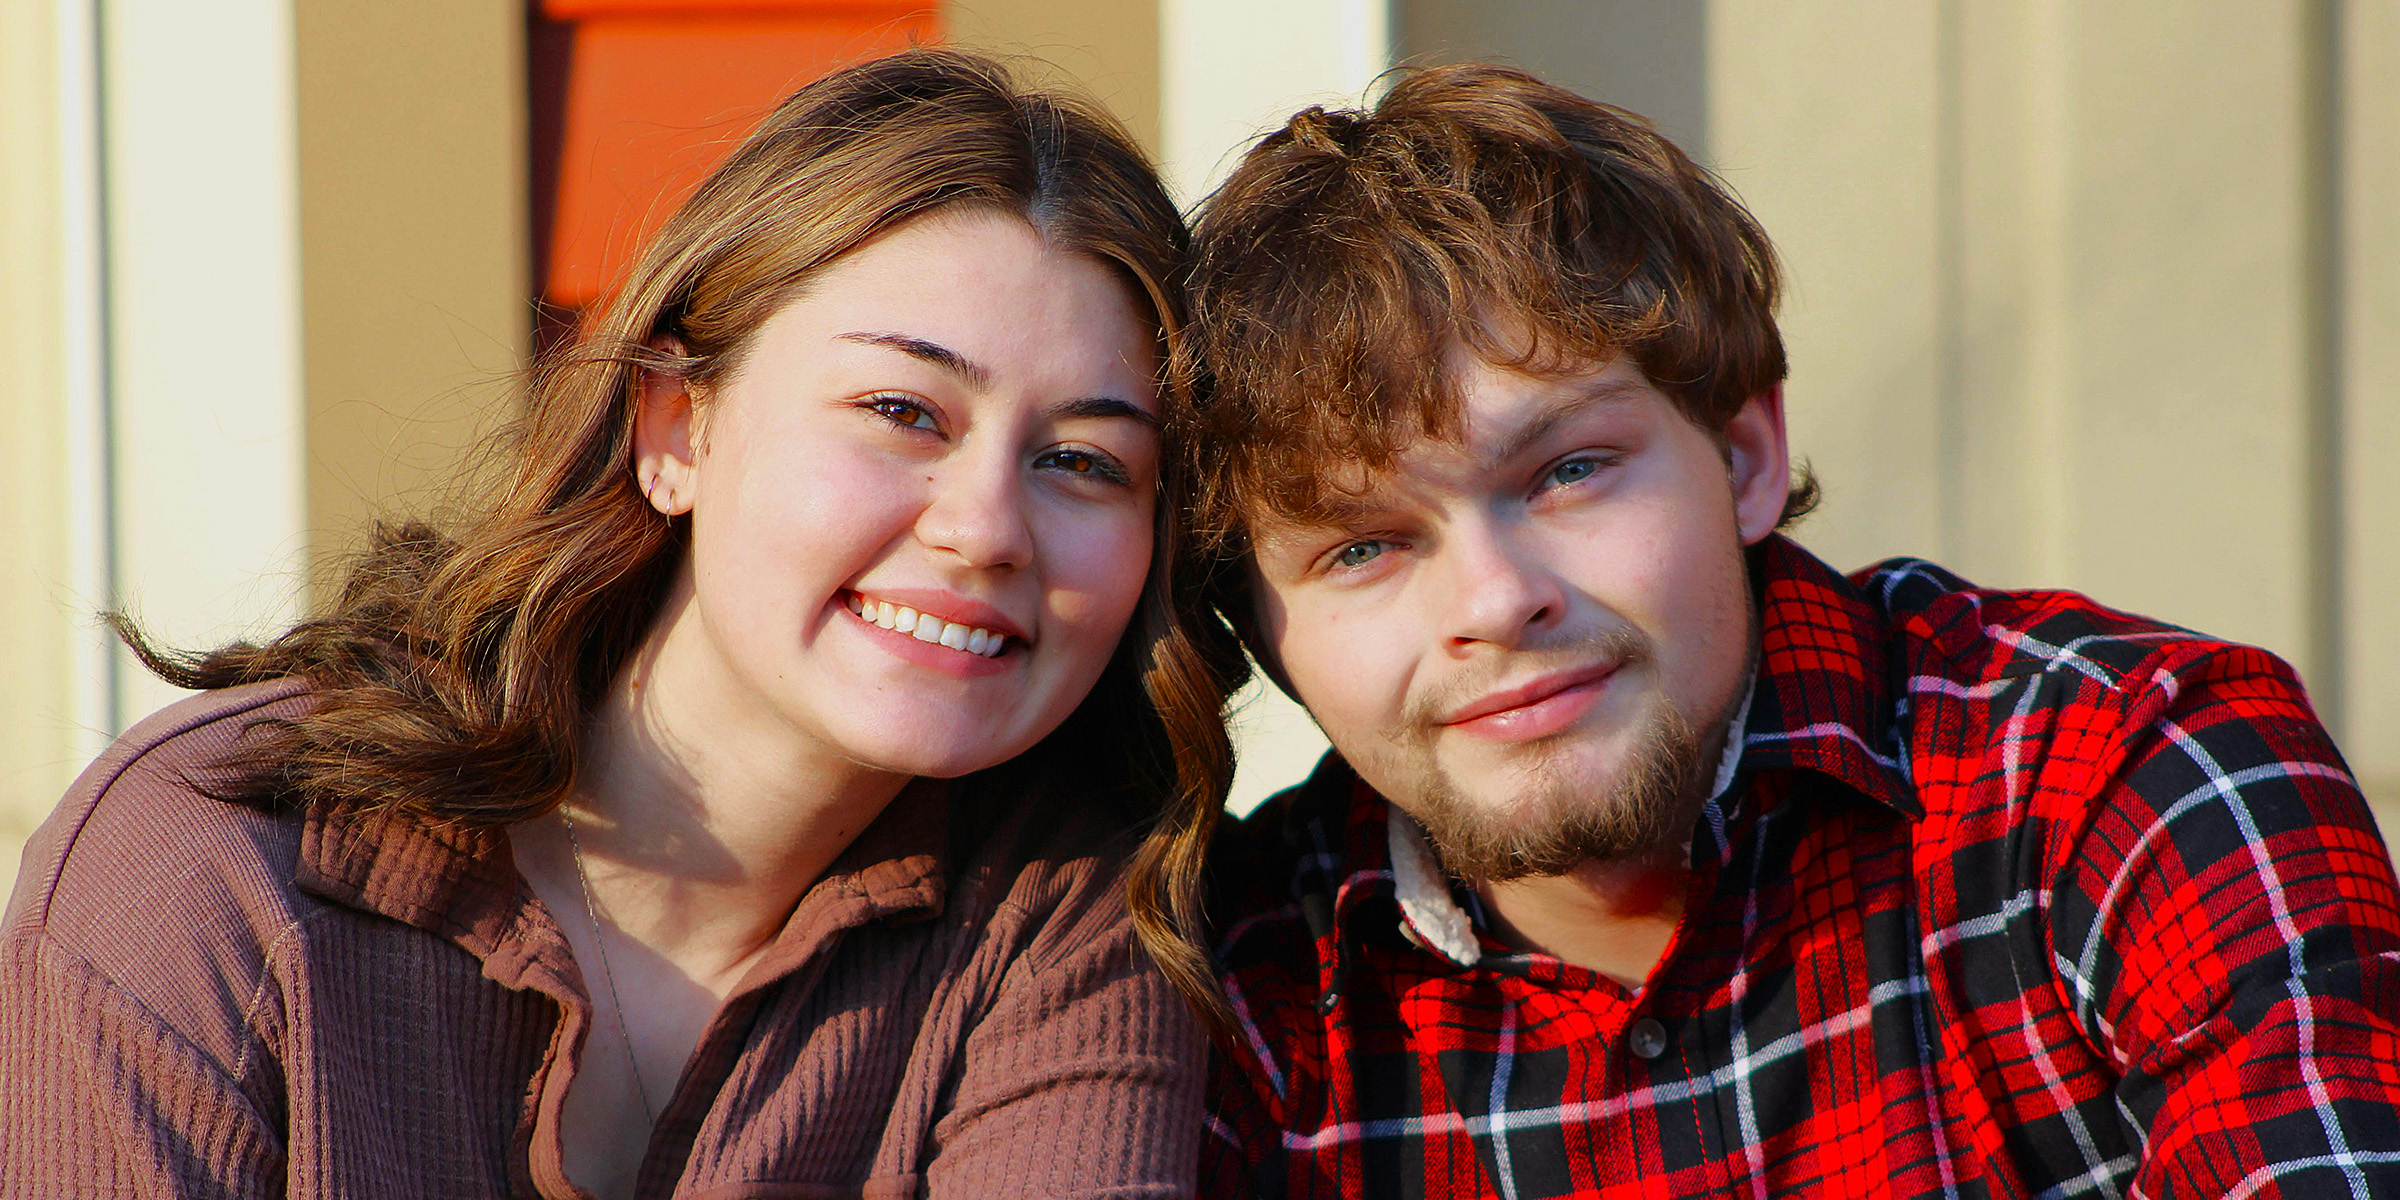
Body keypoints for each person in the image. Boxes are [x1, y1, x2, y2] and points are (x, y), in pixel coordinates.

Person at [1, 50, 1229, 1199]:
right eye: (904, 409)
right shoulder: (212, 870)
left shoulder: (1074, 914)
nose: (987, 526)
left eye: (1082, 460)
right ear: (675, 432)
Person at [1172, 63, 2400, 1197]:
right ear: (1261, 632)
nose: (1495, 603)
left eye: (1569, 470)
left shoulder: (2129, 771)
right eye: (1363, 548)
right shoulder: (1237, 993)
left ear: (1745, 456)